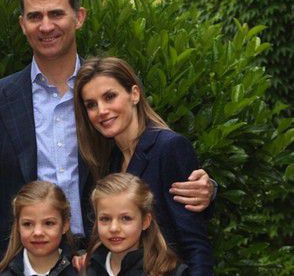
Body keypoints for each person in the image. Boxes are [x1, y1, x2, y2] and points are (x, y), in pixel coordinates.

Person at [0, 0, 215, 275]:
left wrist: (207, 190)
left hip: (107, 261)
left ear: (78, 17)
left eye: (56, 13)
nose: (46, 26)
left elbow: (151, 162)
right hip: (25, 264)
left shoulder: (100, 96)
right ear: (22, 24)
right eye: (34, 16)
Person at [74, 57, 214, 275]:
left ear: (135, 94)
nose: (101, 110)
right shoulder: (107, 159)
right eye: (91, 104)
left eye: (110, 97)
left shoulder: (169, 148)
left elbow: (195, 243)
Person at [86, 173, 188, 276]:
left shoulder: (171, 272)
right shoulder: (84, 270)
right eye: (105, 219)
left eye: (126, 218)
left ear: (145, 221)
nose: (114, 228)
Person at [0, 181, 78, 276]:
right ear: (17, 227)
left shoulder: (82, 270)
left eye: (48, 223)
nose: (38, 232)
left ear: (65, 225)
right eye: (27, 224)